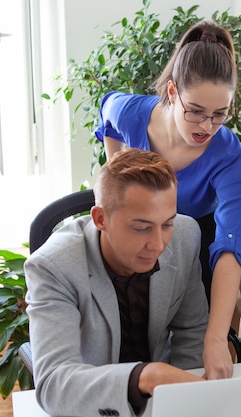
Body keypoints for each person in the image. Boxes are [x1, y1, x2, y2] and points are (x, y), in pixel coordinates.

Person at [95, 20, 241, 378]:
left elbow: (231, 247)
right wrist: (118, 172)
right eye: (195, 110)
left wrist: (214, 340)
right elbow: (106, 112)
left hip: (199, 241)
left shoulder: (230, 158)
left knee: (196, 345)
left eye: (219, 114)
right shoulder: (132, 113)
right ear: (172, 91)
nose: (206, 126)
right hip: (138, 231)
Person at [24, 149, 209, 417]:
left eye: (167, 224)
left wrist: (178, 401)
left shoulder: (185, 235)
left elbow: (192, 329)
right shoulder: (53, 266)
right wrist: (144, 376)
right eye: (141, 228)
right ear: (100, 219)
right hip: (92, 401)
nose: (158, 244)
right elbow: (54, 383)